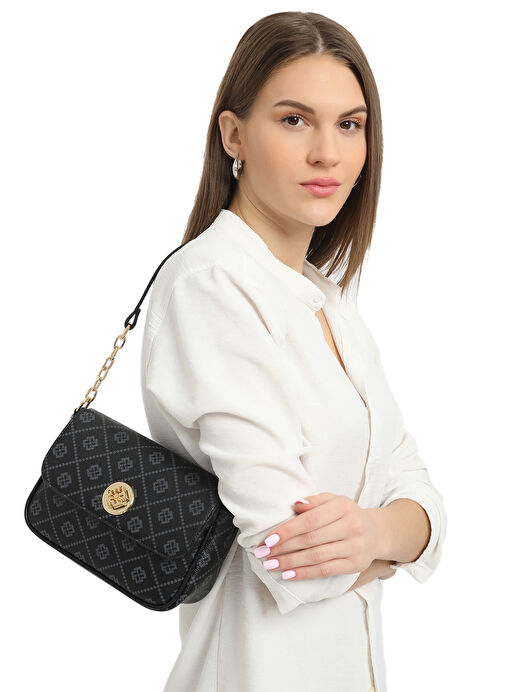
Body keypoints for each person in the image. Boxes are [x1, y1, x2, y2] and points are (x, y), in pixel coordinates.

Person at [140, 11, 447, 692]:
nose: (327, 154)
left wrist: (373, 535)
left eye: (350, 124)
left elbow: (420, 491)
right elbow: (288, 556)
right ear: (234, 135)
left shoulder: (324, 300)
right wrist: (394, 539)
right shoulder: (211, 286)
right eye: (294, 120)